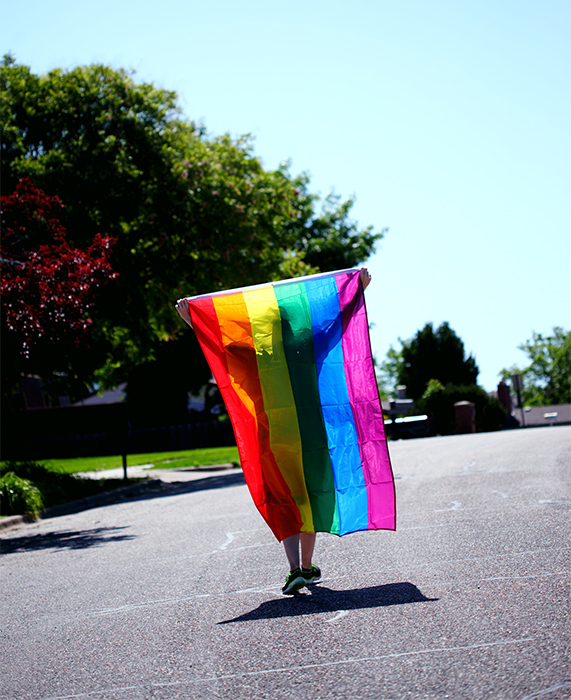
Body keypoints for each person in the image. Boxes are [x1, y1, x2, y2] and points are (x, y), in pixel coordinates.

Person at [176, 267, 372, 595]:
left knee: (285, 500)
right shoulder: (309, 344)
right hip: (311, 438)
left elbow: (220, 348)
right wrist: (358, 289)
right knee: (309, 498)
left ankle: (295, 568)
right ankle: (306, 567)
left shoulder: (258, 354)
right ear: (296, 324)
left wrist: (192, 319)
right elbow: (338, 323)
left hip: (273, 440)